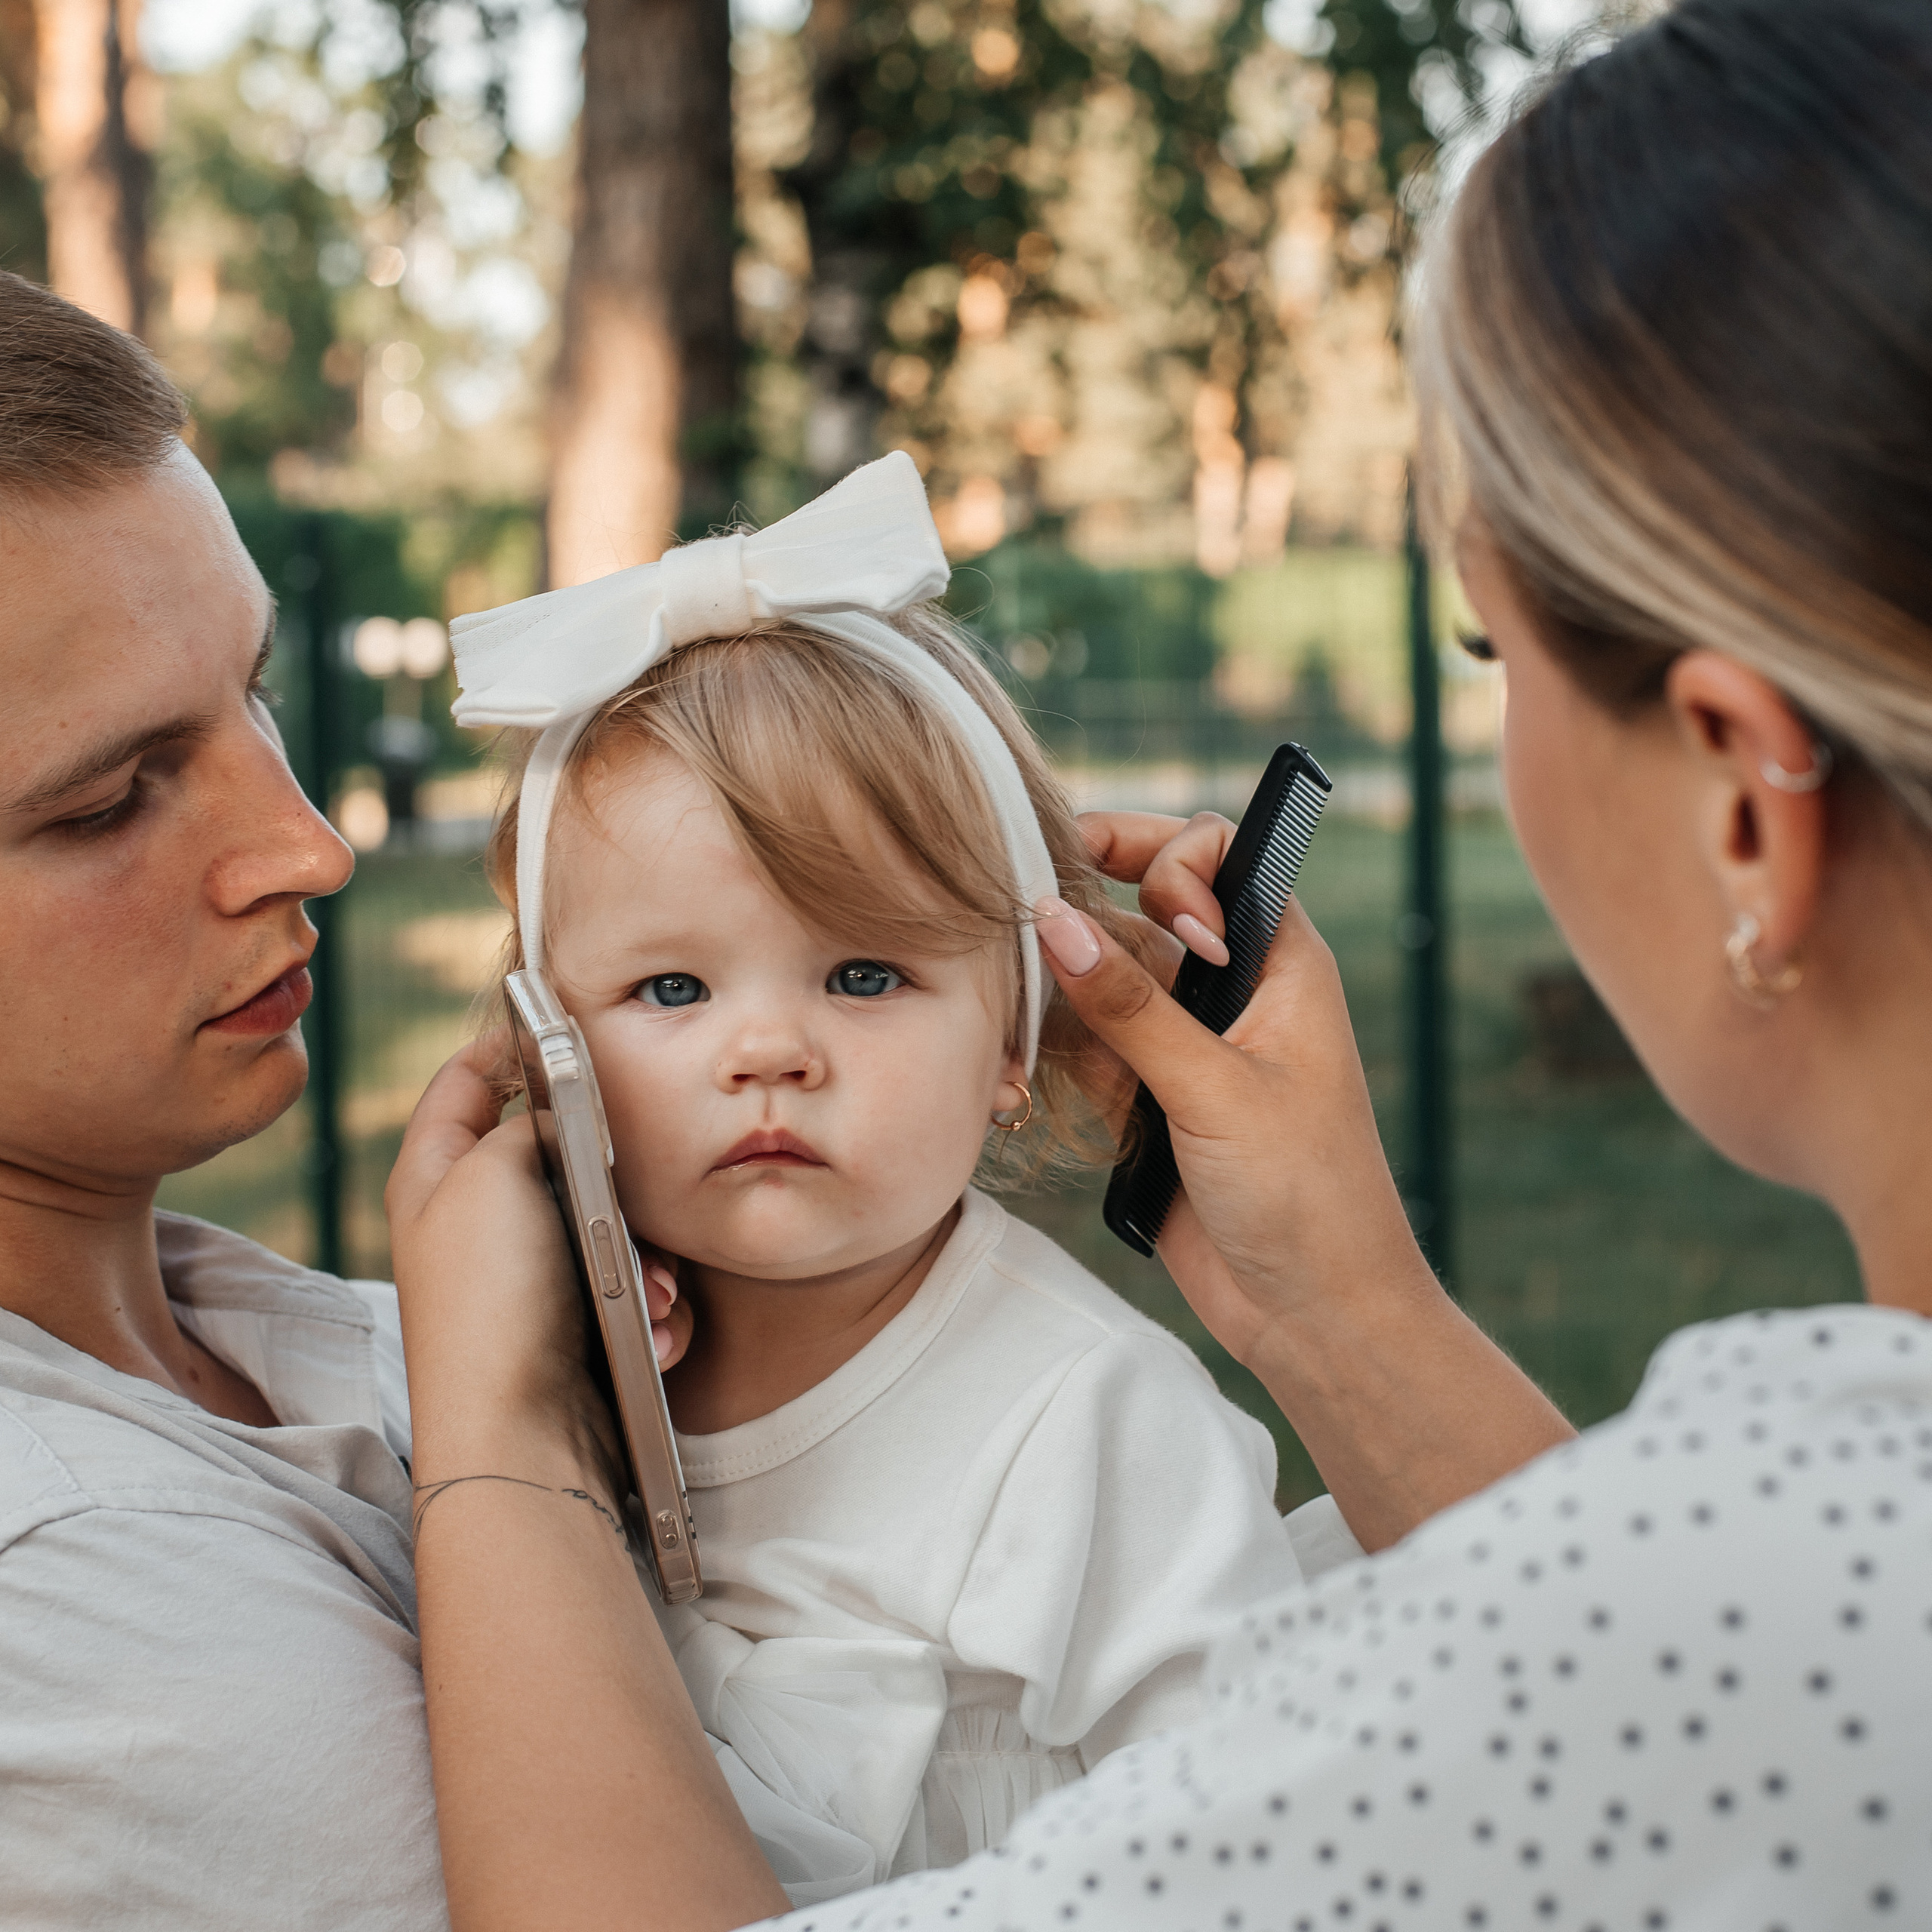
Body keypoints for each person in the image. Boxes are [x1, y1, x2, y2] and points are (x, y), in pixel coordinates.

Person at [386, 1, 1932, 1927]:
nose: (765, 1043)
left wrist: (494, 1460)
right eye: (672, 988)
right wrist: (1341, 1302)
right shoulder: (1795, 1598)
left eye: (1486, 654)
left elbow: (1614, 1676)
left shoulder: (1780, 1597)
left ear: (1744, 806)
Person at [436, 452, 1338, 1903]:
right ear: (546, 1043)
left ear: (1014, 1032)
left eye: (864, 974)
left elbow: (1272, 1857)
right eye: (672, 989)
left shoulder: (1087, 1423)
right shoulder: (540, 1385)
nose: (771, 1051)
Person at [0, 271, 481, 1927]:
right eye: (113, 796)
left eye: (256, 689)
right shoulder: (71, 1590)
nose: (311, 847)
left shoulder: (274, 1338)